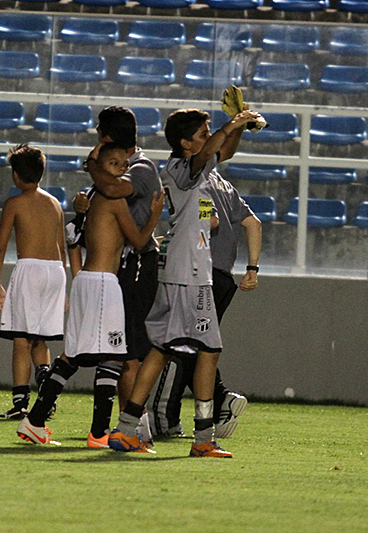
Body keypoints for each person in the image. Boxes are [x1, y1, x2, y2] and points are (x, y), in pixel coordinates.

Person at [108, 106, 263, 457]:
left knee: (162, 349)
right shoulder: (181, 167)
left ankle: (126, 429)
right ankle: (203, 437)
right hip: (190, 273)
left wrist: (238, 127)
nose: (208, 140)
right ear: (185, 144)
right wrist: (233, 123)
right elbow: (210, 153)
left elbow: (220, 159)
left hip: (185, 267)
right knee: (209, 350)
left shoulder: (197, 175)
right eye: (202, 134)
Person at [16, 143, 164, 446]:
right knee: (113, 355)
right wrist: (154, 215)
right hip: (102, 282)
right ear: (100, 166)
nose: (122, 168)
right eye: (114, 163)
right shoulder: (113, 198)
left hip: (87, 279)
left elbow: (75, 238)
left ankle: (34, 421)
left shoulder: (92, 196)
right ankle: (99, 433)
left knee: (72, 354)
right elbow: (138, 241)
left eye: (124, 163)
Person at [148, 146, 262, 439]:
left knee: (179, 344)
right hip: (224, 277)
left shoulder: (197, 184)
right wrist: (252, 268)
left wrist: (168, 240)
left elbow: (208, 222)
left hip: (200, 272)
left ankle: (165, 417)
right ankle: (220, 402)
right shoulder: (224, 185)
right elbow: (253, 223)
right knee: (201, 346)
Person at [70, 106, 163, 447]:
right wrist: (82, 203)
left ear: (107, 137)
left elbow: (111, 190)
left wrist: (91, 164)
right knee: (122, 351)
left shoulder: (138, 169)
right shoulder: (115, 168)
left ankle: (134, 428)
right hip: (119, 267)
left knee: (130, 352)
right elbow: (102, 195)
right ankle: (130, 427)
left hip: (137, 265)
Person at [0, 144, 67, 420]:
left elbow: (0, 245)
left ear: (15, 174)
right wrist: (64, 287)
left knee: (21, 339)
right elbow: (61, 245)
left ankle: (20, 404)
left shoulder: (15, 203)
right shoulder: (55, 203)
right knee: (41, 339)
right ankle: (45, 394)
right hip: (56, 271)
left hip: (30, 269)